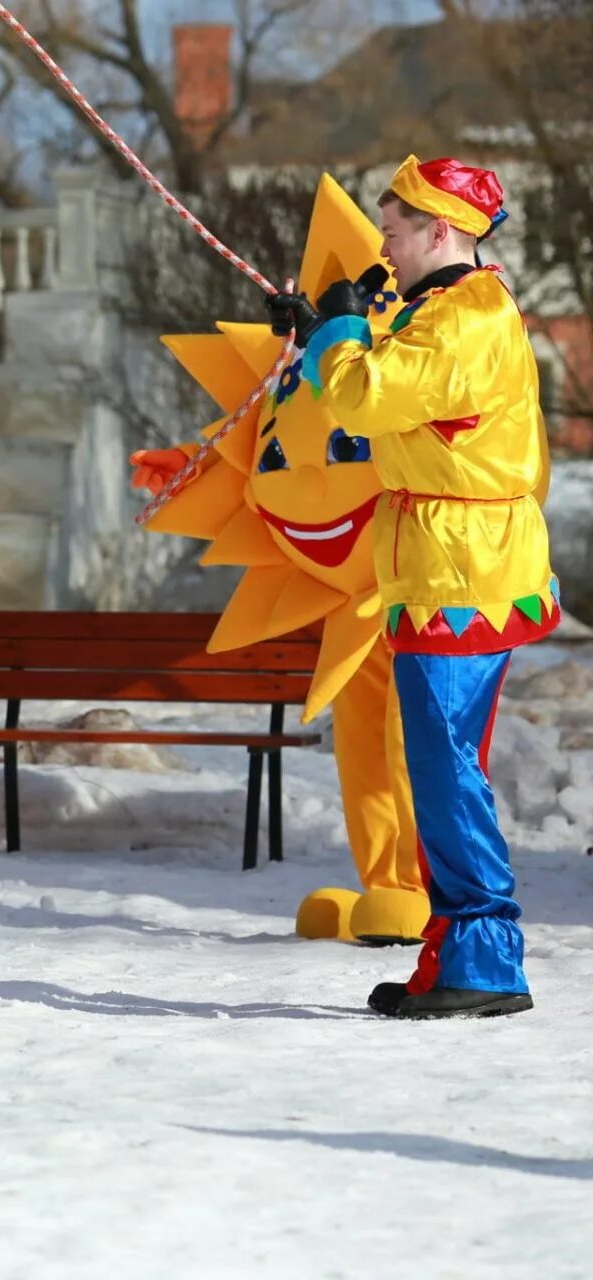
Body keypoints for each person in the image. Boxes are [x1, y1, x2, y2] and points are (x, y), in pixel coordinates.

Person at [269, 155, 555, 1020]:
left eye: (393, 231)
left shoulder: (465, 319)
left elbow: (364, 396)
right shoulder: (446, 307)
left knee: (445, 767)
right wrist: (327, 326)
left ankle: (485, 954)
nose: (382, 247)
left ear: (440, 230)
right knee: (442, 764)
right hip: (450, 559)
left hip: (460, 568)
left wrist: (336, 338)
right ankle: (469, 949)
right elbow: (380, 365)